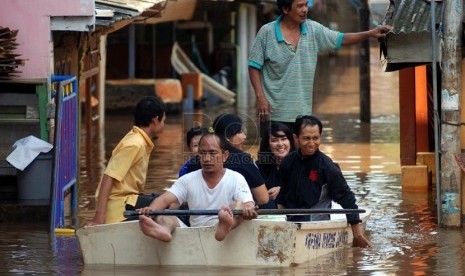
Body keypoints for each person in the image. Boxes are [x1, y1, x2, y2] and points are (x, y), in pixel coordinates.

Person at [248, 0, 392, 130]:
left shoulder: (313, 29)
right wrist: (260, 98)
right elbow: (254, 66)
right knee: (271, 158)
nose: (305, 9)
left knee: (300, 158)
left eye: (306, 4)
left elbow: (342, 39)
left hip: (302, 116)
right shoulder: (266, 32)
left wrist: (370, 33)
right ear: (286, 9)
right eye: (300, 6)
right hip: (273, 114)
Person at [138, 133, 258, 242]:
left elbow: (248, 203)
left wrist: (248, 210)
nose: (206, 159)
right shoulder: (187, 180)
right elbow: (164, 200)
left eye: (212, 153)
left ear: (225, 155)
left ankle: (225, 225)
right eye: (202, 153)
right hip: (196, 235)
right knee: (164, 214)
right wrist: (150, 211)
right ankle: (164, 230)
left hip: (226, 233)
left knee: (238, 205)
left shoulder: (236, 178)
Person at [277, 115, 371, 248]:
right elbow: (283, 194)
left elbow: (347, 198)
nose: (311, 143)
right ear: (295, 138)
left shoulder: (328, 167)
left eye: (315, 138)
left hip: (314, 227)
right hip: (289, 222)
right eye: (306, 138)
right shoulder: (288, 162)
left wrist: (357, 234)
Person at [87, 96, 166, 225]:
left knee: (167, 200)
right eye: (164, 121)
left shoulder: (137, 139)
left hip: (129, 200)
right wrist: (99, 217)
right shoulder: (135, 144)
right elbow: (108, 177)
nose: (164, 125)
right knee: (170, 202)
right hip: (119, 206)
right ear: (155, 120)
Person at [185, 113, 270, 206]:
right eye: (239, 132)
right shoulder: (244, 160)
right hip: (237, 213)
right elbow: (263, 199)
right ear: (227, 136)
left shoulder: (194, 162)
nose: (244, 136)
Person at [256, 122, 295, 209]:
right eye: (274, 140)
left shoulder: (300, 164)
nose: (280, 144)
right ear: (267, 144)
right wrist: (265, 196)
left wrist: (281, 189)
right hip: (268, 211)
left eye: (284, 139)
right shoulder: (259, 167)